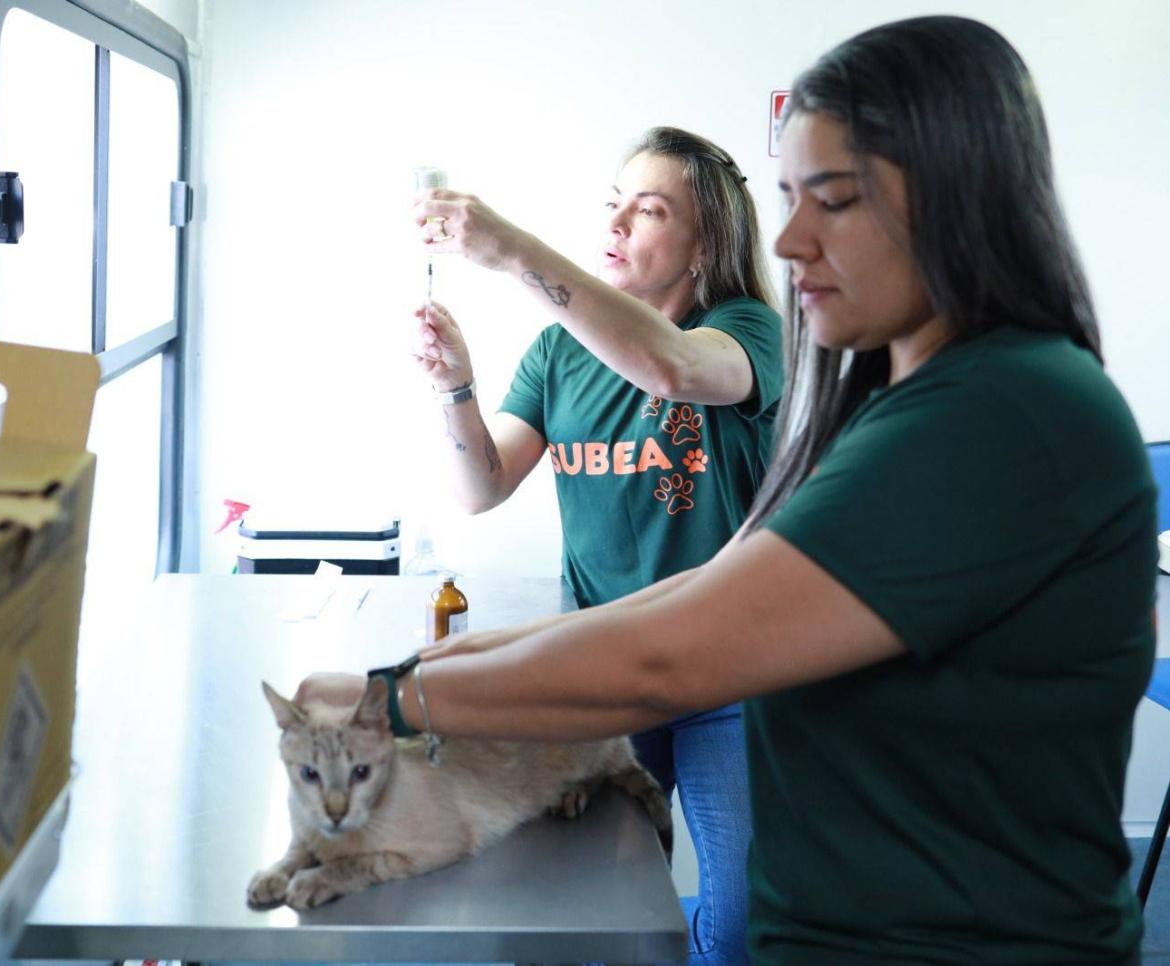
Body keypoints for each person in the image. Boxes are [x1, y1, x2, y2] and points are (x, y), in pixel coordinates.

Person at [312, 16, 1158, 964]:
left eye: (830, 201)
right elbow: (684, 599)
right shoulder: (902, 404)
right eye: (790, 197)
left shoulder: (997, 415)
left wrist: (390, 703)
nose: (792, 242)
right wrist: (402, 681)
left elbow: (667, 654)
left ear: (954, 199)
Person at [411, 127, 782, 965]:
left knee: (739, 921)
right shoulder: (557, 353)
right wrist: (455, 387)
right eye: (613, 204)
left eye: (648, 211)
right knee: (596, 910)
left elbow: (674, 369)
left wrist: (510, 252)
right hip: (610, 664)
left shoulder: (748, 332)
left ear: (703, 246)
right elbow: (482, 486)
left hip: (732, 676)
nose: (616, 224)